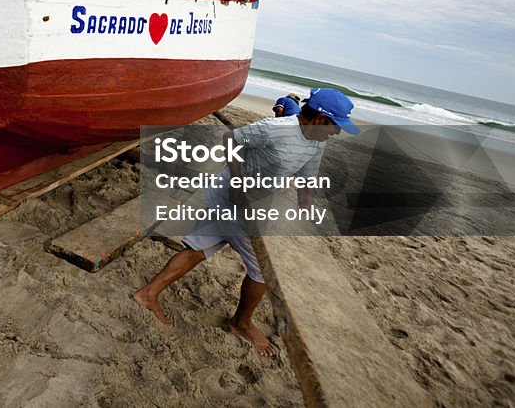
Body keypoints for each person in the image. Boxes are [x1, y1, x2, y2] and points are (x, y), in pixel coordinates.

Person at [134, 88, 360, 355]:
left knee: (197, 249)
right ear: (321, 119)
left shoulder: (317, 142)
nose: (338, 132)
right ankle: (241, 323)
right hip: (230, 201)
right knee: (262, 269)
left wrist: (307, 211)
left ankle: (147, 294)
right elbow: (230, 139)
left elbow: (307, 181)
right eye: (337, 126)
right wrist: (239, 182)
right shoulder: (276, 128)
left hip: (252, 207)